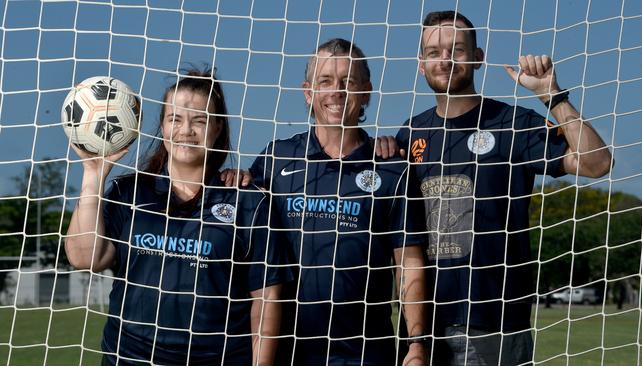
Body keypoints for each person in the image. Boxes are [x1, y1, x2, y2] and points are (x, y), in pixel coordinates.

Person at [391, 10, 612, 365]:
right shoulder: (409, 134)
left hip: (494, 326)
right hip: (421, 329)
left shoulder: (513, 124)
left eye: (457, 50)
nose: (445, 59)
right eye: (433, 52)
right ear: (420, 64)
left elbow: (597, 163)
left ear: (478, 59)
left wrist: (551, 94)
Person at [65, 70, 288, 365]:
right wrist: (93, 175)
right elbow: (85, 258)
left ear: (218, 128)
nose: (186, 131)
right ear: (162, 125)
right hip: (130, 359)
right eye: (176, 119)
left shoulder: (248, 201)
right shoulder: (130, 192)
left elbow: (266, 301)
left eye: (199, 120)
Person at [247, 38, 428, 365]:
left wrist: (415, 342)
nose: (336, 91)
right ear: (308, 91)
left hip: (365, 353)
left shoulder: (392, 169)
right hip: (286, 351)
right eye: (325, 81)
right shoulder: (276, 159)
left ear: (367, 91)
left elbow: (408, 262)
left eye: (348, 81)